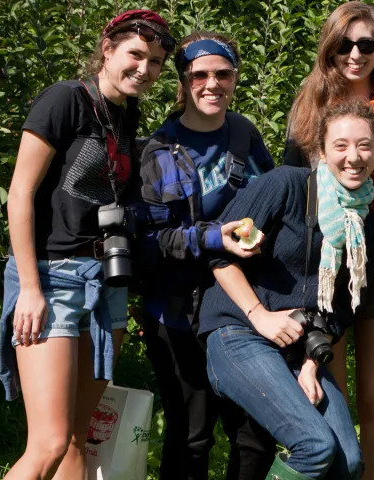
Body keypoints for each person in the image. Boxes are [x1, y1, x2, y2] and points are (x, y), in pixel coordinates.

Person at [0, 9, 173, 479]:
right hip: (53, 278)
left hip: (106, 283)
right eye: (135, 54)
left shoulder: (125, 114)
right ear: (108, 48)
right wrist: (30, 289)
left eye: (155, 61)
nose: (144, 68)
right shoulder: (65, 100)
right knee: (49, 442)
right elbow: (20, 195)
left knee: (79, 435)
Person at [200, 100, 374, 479]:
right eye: (341, 145)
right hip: (239, 333)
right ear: (320, 151)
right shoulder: (286, 184)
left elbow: (341, 309)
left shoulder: (365, 224)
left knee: (348, 463)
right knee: (315, 447)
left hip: (301, 349)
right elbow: (219, 252)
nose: (354, 157)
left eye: (365, 145)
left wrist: (310, 365)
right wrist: (261, 316)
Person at [280, 4, 374, 477]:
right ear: (330, 47)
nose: (356, 53)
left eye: (367, 44)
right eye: (345, 43)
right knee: (331, 388)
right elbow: (293, 190)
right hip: (325, 272)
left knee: (373, 396)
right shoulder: (306, 110)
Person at [133, 32, 277, 480]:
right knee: (191, 435)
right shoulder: (161, 149)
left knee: (254, 434)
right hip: (178, 311)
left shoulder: (244, 135)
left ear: (235, 78)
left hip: (241, 308)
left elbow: (273, 201)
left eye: (223, 74)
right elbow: (152, 241)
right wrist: (215, 239)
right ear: (184, 80)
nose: (212, 83)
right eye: (200, 75)